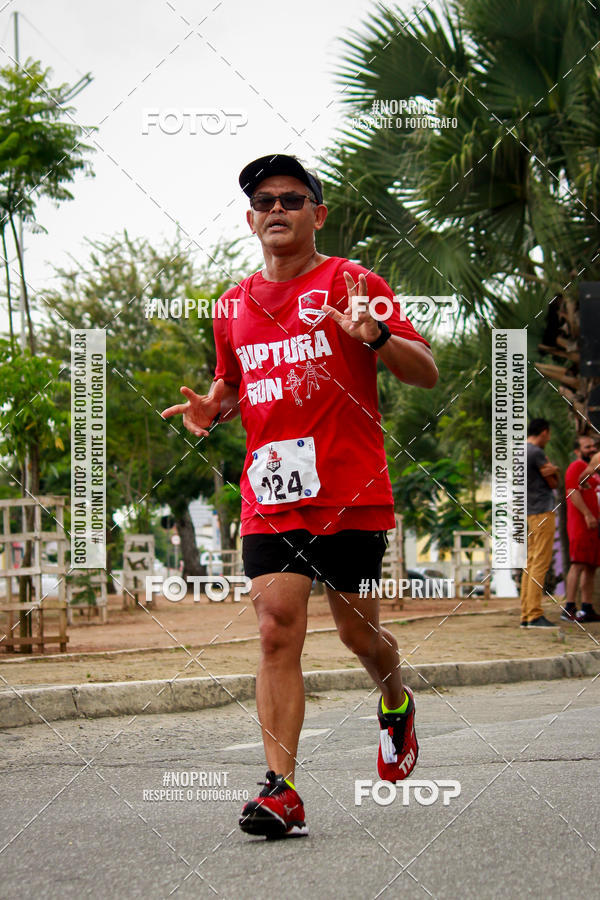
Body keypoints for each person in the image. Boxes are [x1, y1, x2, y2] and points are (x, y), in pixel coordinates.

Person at [162, 153, 438, 838]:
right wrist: (214, 408)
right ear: (251, 219)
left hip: (350, 491)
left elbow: (425, 371)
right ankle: (280, 791)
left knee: (358, 634)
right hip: (271, 494)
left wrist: (375, 335)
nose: (277, 209)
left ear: (318, 213)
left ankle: (395, 700)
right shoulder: (232, 305)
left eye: (292, 198)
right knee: (275, 628)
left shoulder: (353, 282)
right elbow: (233, 383)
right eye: (265, 201)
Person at [519, 418, 559, 628]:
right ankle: (534, 614)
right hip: (542, 510)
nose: (549, 439)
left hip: (529, 512)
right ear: (544, 432)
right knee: (540, 563)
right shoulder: (536, 452)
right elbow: (553, 482)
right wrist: (555, 470)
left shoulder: (520, 451)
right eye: (548, 434)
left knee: (531, 562)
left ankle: (527, 613)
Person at [563, 435, 600, 623]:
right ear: (577, 451)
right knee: (577, 564)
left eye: (593, 446)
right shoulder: (576, 466)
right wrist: (587, 514)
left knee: (591, 565)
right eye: (587, 447)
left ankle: (587, 607)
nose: (592, 449)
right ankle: (569, 607)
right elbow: (572, 491)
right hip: (581, 524)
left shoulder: (592, 471)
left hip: (594, 526)